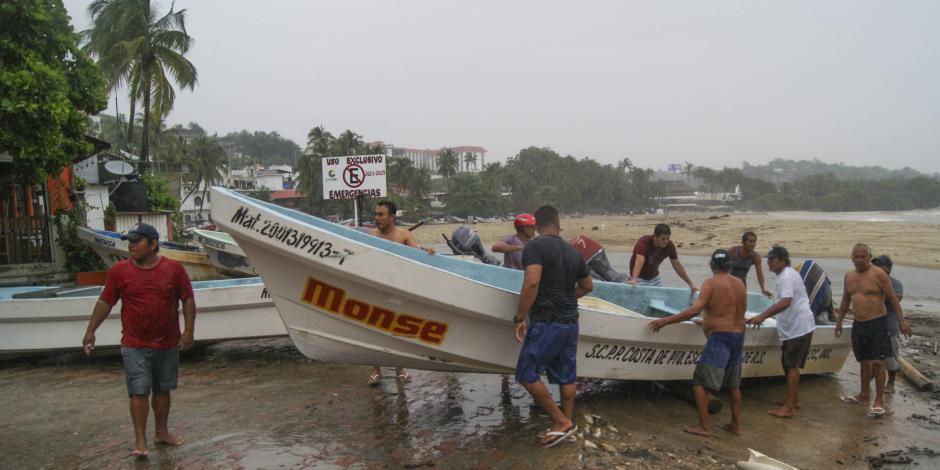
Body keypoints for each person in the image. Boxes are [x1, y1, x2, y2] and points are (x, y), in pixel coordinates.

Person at [82, 223, 196, 457]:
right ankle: (140, 441)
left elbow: (188, 299)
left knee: (163, 389)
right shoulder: (119, 271)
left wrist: (189, 331)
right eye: (130, 242)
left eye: (137, 241)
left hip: (167, 341)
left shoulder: (174, 269)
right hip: (134, 344)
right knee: (139, 390)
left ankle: (161, 432)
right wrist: (91, 330)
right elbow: (106, 301)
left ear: (153, 244)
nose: (131, 246)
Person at [513, 205, 593, 447]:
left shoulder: (535, 246)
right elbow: (588, 286)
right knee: (567, 377)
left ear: (536, 226)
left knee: (526, 373)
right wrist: (566, 298)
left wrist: (519, 317)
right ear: (558, 224)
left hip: (548, 322)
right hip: (570, 322)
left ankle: (560, 421)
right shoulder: (573, 252)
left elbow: (532, 282)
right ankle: (565, 426)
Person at [649, 249, 746, 437]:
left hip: (720, 338)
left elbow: (694, 310)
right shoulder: (740, 283)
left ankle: (704, 427)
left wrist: (665, 321)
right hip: (738, 336)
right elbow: (734, 311)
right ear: (730, 265)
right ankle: (735, 425)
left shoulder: (710, 283)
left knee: (699, 382)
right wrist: (710, 320)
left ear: (712, 265)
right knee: (734, 385)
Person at [835, 244, 912, 416]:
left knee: (878, 363)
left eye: (863, 256)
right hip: (859, 324)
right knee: (863, 362)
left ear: (869, 257)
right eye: (857, 256)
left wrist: (902, 322)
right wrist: (839, 322)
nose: (860, 259)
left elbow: (893, 300)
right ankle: (863, 395)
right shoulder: (849, 276)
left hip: (877, 323)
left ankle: (878, 401)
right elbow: (846, 300)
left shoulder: (878, 275)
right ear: (852, 258)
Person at [367, 200, 434, 386]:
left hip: (399, 289)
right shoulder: (372, 234)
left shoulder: (404, 235)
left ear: (392, 217)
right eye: (376, 214)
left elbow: (418, 257)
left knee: (396, 329)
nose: (377, 218)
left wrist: (427, 251)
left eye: (381, 215)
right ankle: (375, 369)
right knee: (373, 328)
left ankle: (400, 369)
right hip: (377, 287)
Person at [747, 245, 816, 418]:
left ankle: (789, 407)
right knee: (789, 365)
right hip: (796, 327)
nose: (768, 263)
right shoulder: (788, 274)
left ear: (781, 261)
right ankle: (793, 399)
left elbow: (786, 301)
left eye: (771, 259)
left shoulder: (786, 276)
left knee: (791, 366)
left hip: (798, 327)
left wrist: (762, 316)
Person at [628, 224, 697, 293]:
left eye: (668, 239)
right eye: (663, 239)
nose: (666, 242)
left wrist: (690, 284)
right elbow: (640, 260)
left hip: (654, 277)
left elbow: (677, 265)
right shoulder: (644, 242)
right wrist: (634, 279)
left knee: (659, 299)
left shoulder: (669, 246)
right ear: (655, 237)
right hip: (640, 277)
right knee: (643, 300)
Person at [871, 255, 904, 394]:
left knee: (891, 357)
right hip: (873, 324)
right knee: (873, 357)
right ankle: (873, 384)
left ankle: (891, 383)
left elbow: (896, 298)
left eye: (878, 266)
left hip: (889, 325)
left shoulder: (894, 283)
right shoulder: (871, 281)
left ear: (887, 269)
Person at [727, 231, 772, 297]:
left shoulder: (755, 257)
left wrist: (763, 289)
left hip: (741, 285)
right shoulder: (733, 250)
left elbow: (759, 274)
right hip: (728, 284)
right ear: (743, 242)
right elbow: (722, 268)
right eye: (750, 241)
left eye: (754, 242)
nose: (752, 244)